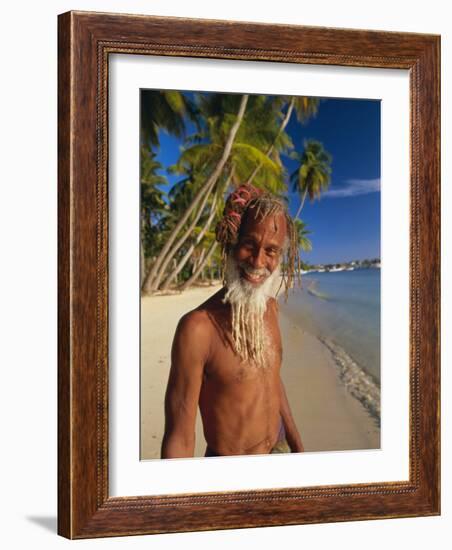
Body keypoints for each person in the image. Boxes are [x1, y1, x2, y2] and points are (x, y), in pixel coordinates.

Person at [161, 183, 304, 458]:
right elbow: (179, 436)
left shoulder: (270, 309)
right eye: (249, 244)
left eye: (271, 251)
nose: (258, 261)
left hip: (279, 447)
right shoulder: (197, 329)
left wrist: (297, 445)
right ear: (232, 242)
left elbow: (272, 378)